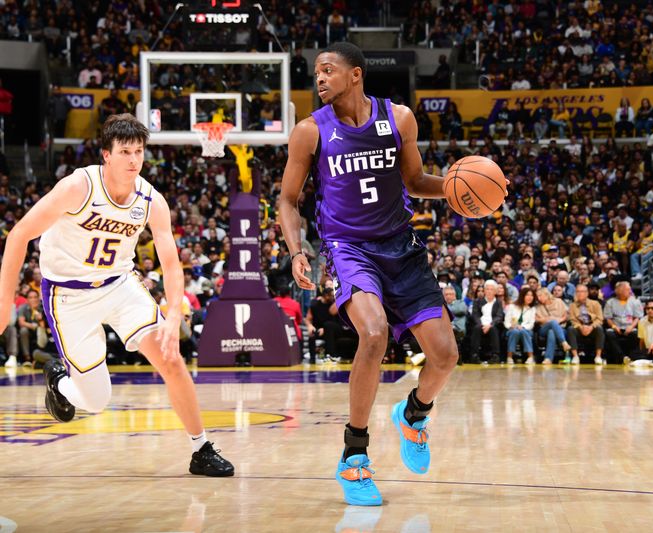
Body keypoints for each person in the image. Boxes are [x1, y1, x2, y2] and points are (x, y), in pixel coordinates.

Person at [277, 42, 462, 506]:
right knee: (374, 334)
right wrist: (297, 250)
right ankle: (354, 456)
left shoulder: (398, 118)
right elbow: (287, 200)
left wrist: (459, 192)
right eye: (315, 73)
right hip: (347, 248)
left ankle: (413, 415)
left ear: (355, 74)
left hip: (402, 245)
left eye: (327, 71)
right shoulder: (309, 131)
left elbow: (417, 183)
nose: (319, 79)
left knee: (444, 356)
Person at [0, 114, 233, 476]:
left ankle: (201, 447)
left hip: (119, 285)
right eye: (125, 151)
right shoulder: (78, 187)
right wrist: (3, 304)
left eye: (139, 151)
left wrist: (173, 316)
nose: (133, 160)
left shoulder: (151, 200)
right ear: (106, 154)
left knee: (171, 360)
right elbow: (18, 235)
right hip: (68, 295)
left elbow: (171, 264)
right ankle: (61, 381)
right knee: (96, 401)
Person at [603, 281, 643, 363]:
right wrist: (614, 326)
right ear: (620, 290)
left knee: (636, 334)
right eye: (628, 289)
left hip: (630, 327)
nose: (630, 291)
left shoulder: (635, 301)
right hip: (615, 327)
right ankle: (621, 357)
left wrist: (631, 327)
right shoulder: (610, 302)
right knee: (609, 333)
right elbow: (608, 318)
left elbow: (637, 317)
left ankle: (632, 357)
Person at [566, 284, 605, 365]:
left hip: (592, 327)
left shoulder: (596, 304)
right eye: (578, 292)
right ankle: (575, 356)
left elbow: (600, 319)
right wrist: (580, 327)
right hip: (579, 327)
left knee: (599, 328)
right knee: (570, 329)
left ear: (587, 293)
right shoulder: (572, 305)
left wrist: (591, 327)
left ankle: (598, 356)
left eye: (582, 292)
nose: (580, 294)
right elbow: (572, 319)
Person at [469, 279, 504, 364]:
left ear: (495, 291)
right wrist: (481, 324)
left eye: (491, 289)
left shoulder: (498, 302)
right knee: (477, 328)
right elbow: (475, 315)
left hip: (492, 325)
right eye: (487, 289)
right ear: (484, 290)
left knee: (494, 329)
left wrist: (490, 325)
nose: (489, 291)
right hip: (480, 324)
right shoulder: (477, 301)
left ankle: (495, 356)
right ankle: (474, 355)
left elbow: (499, 316)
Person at [534, 287, 572, 364]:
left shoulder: (559, 301)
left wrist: (559, 320)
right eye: (537, 296)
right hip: (543, 329)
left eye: (540, 295)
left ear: (547, 295)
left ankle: (548, 358)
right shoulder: (537, 306)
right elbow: (536, 319)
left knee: (551, 331)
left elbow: (567, 316)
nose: (539, 298)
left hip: (561, 328)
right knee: (552, 323)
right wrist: (548, 320)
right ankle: (564, 342)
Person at [504, 285, 536, 364]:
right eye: (527, 295)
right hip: (512, 329)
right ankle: (509, 357)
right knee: (515, 332)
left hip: (527, 330)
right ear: (522, 296)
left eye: (532, 295)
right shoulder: (512, 307)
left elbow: (531, 324)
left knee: (523, 331)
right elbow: (506, 321)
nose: (530, 297)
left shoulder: (532, 309)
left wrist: (523, 327)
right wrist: (511, 326)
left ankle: (530, 357)